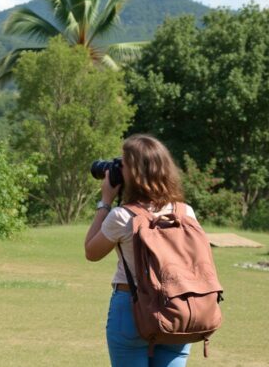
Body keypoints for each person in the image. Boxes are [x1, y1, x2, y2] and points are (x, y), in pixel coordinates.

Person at [84, 134, 195, 367]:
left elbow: (91, 251)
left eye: (121, 164)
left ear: (133, 172)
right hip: (177, 309)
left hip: (131, 308)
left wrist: (105, 202)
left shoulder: (123, 216)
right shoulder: (185, 213)